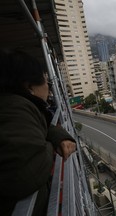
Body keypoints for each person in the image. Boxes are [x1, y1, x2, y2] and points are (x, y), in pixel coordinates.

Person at [0, 50, 76, 216]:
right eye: (46, 81)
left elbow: (42, 127)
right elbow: (26, 172)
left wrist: (58, 136)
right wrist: (49, 146)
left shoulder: (19, 107)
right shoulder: (15, 109)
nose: (49, 87)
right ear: (30, 87)